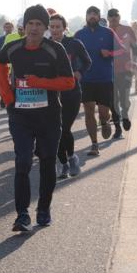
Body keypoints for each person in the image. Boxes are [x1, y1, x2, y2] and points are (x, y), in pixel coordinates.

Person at [0, 5, 76, 231]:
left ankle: (43, 209)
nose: (34, 28)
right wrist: (7, 95)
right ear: (24, 26)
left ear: (46, 27)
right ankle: (21, 215)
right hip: (20, 116)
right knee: (22, 162)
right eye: (30, 23)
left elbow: (69, 82)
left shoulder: (55, 49)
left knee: (48, 162)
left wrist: (39, 82)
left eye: (39, 24)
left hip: (48, 117)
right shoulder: (12, 48)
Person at [48, 12, 91, 179]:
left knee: (64, 129)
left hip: (72, 93)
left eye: (58, 27)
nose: (55, 30)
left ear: (65, 28)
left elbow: (88, 62)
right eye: (52, 27)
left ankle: (72, 158)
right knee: (55, 131)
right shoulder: (45, 45)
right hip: (52, 94)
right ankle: (64, 163)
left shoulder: (74, 44)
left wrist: (79, 72)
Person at [74, 6, 117, 156]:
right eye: (89, 14)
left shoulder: (108, 32)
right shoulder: (79, 34)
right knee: (89, 111)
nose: (92, 16)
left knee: (103, 112)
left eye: (95, 14)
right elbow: (71, 55)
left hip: (104, 78)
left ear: (99, 17)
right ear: (86, 17)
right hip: (86, 79)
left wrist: (110, 52)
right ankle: (94, 144)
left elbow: (123, 50)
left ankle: (105, 120)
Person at [107, 9, 137, 135]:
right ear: (108, 18)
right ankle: (118, 128)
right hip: (109, 71)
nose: (113, 18)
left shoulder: (127, 30)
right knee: (113, 100)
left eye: (116, 16)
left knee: (124, 98)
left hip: (125, 70)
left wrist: (134, 62)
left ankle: (125, 114)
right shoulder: (105, 32)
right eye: (111, 16)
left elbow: (135, 48)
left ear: (119, 17)